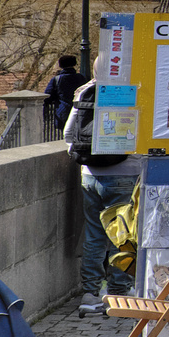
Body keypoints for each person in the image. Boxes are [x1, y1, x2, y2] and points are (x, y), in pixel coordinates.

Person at [68, 65, 139, 316]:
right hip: (124, 173)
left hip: (89, 174)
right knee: (122, 234)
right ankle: (119, 291)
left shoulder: (84, 90)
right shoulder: (132, 90)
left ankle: (90, 294)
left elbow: (69, 134)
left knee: (94, 234)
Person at [43, 54, 85, 129]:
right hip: (79, 111)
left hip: (63, 111)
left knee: (64, 135)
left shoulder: (57, 79)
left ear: (61, 65)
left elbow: (48, 96)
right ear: (74, 64)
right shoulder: (81, 78)